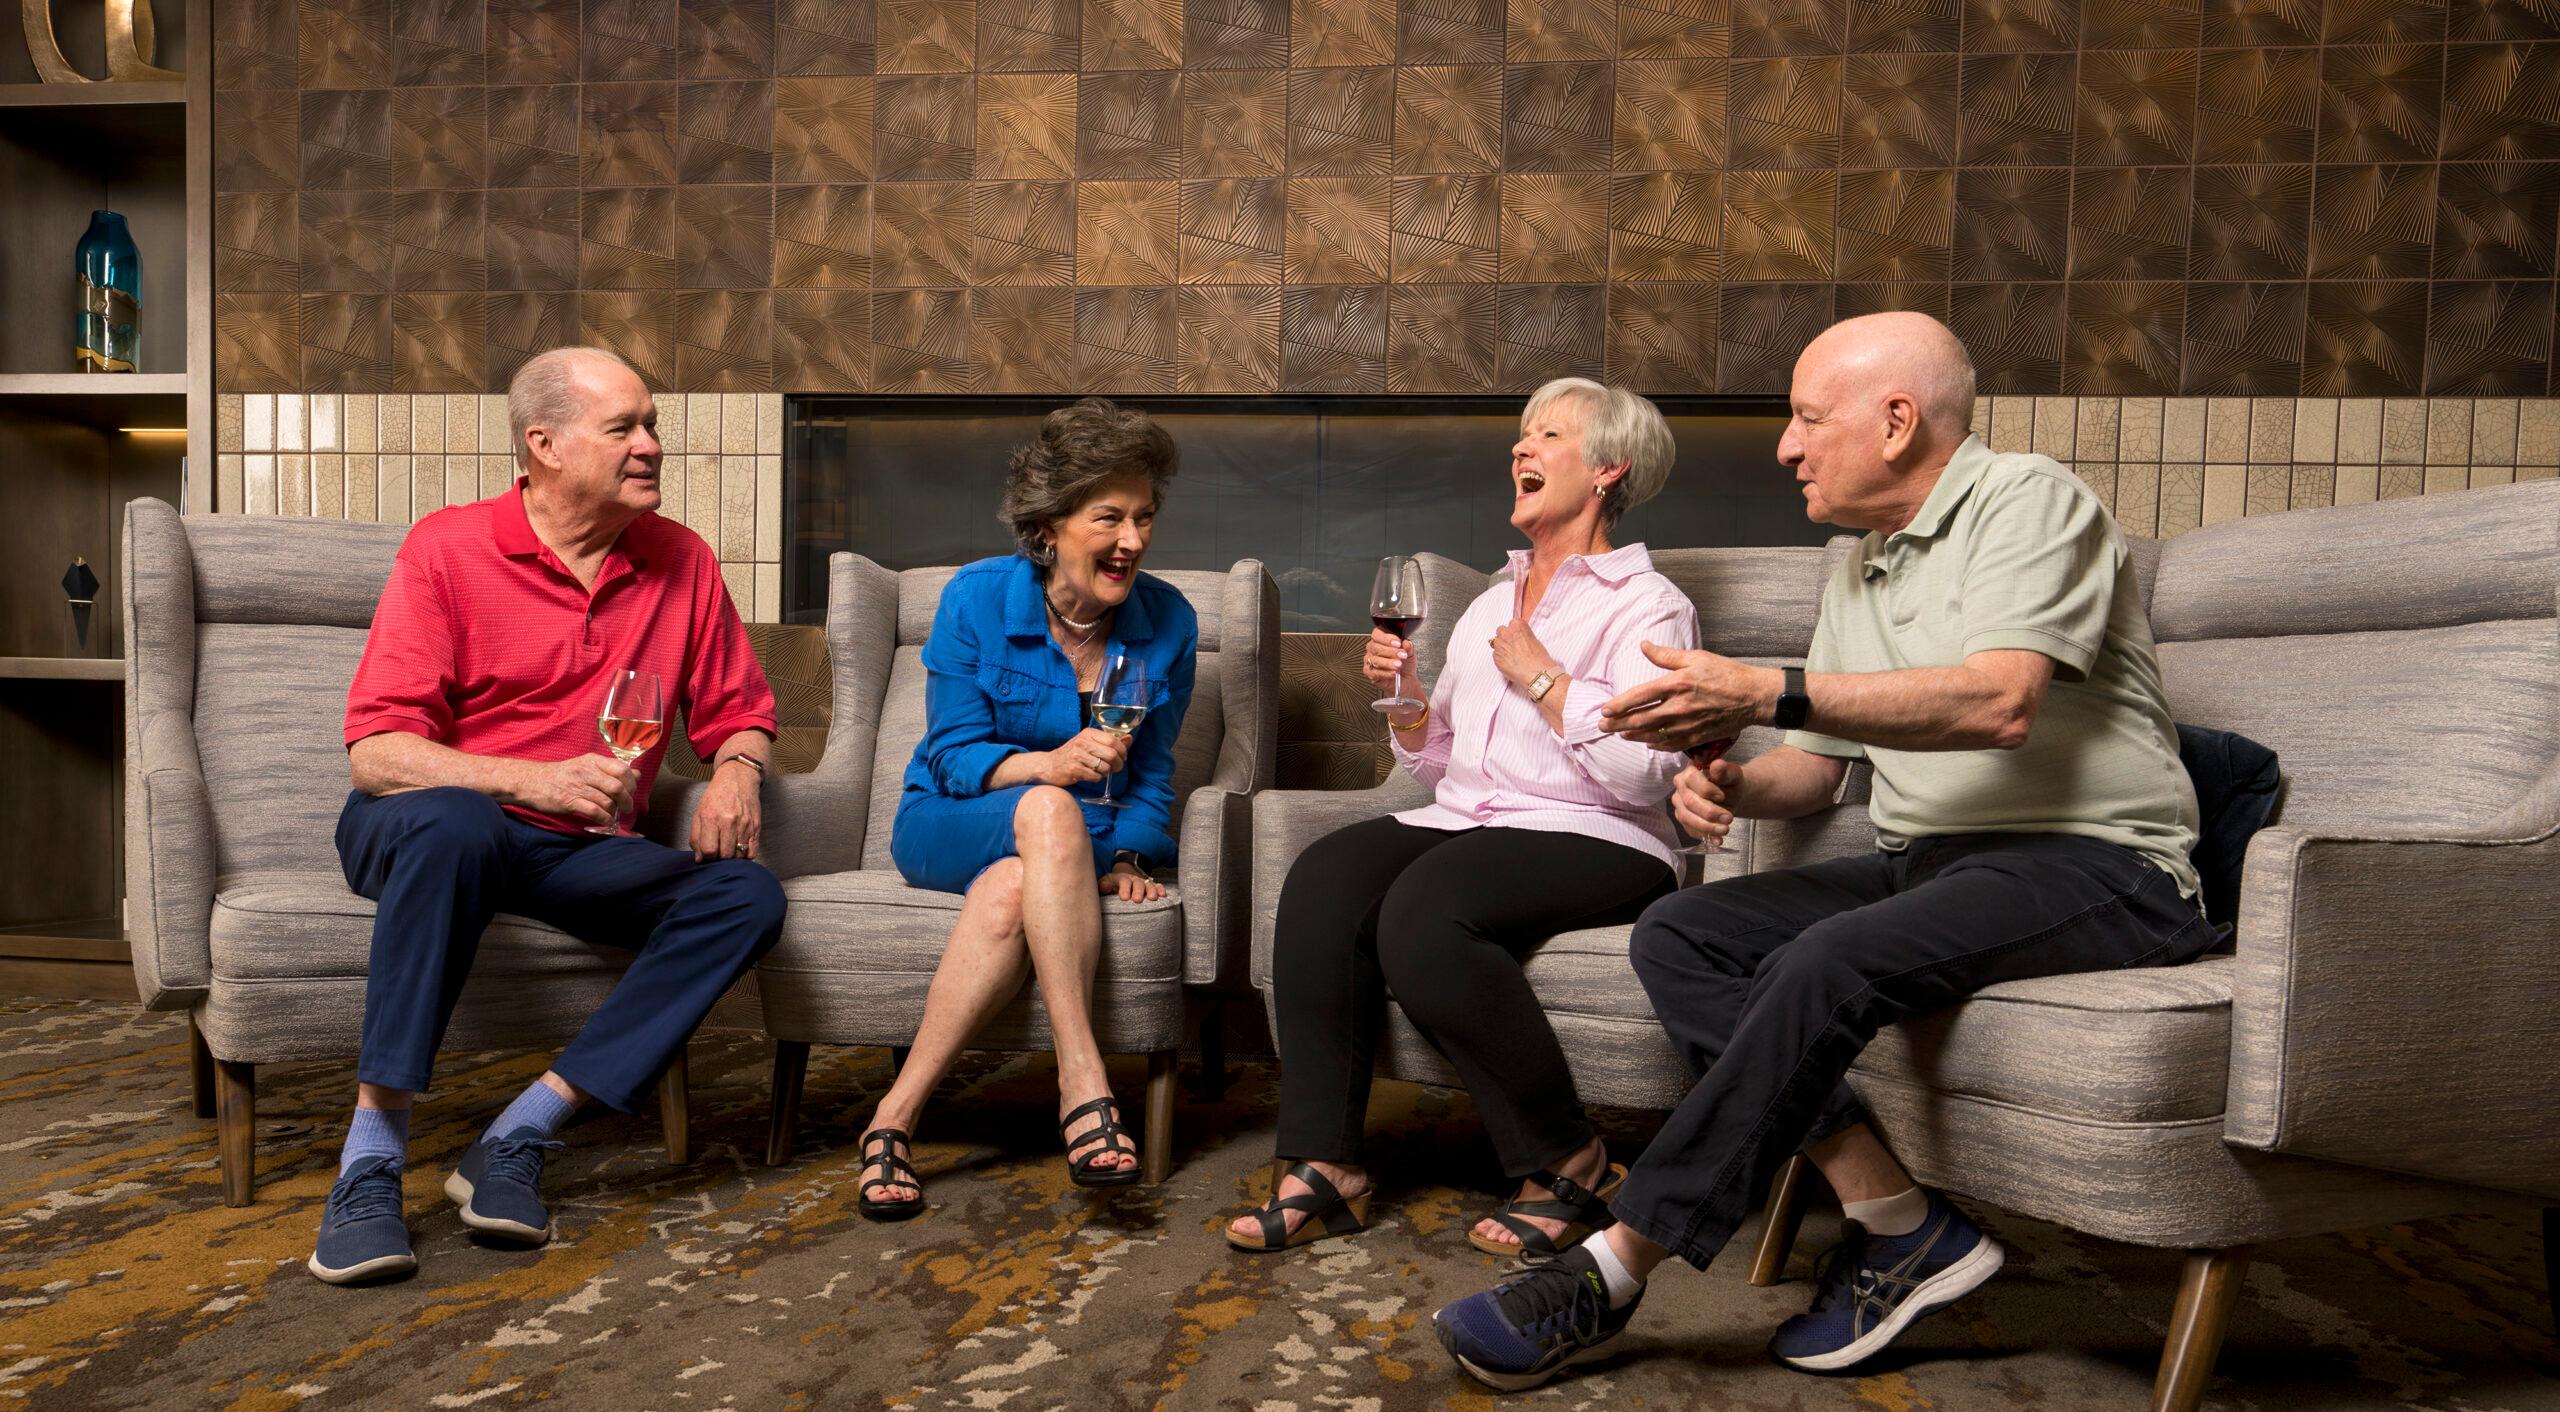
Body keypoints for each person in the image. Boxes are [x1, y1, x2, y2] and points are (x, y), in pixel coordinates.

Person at [1431, 312, 2212, 1389]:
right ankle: (1897, 1216)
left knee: (1825, 957)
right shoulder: (1857, 565)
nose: (1787, 447)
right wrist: (1732, 779)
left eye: (1806, 419)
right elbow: (1817, 765)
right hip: (1935, 858)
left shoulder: (2029, 500)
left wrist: (1764, 684)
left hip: (2103, 865)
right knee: (1681, 932)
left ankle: (1615, 1263)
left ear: (1897, 422)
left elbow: (2000, 702)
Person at [310, 347, 785, 1285]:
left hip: (573, 847)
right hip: (423, 827)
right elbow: (376, 752)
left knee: (745, 898)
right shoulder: (448, 546)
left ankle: (520, 1131)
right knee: (460, 825)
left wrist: (736, 772)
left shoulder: (680, 560)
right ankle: (370, 1159)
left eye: (652, 425)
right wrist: (529, 781)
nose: (652, 446)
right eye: (625, 429)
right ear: (545, 445)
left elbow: (742, 710)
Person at [1226, 379, 1698, 1256]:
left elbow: (1644, 775)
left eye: (1547, 435)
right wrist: (1405, 705)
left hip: (1601, 836)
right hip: (1471, 821)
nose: (1520, 449)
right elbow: (1442, 764)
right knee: (1322, 878)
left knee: (1426, 912)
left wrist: (1547, 678)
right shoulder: (1489, 603)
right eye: (1520, 434)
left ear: (1608, 469)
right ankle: (1327, 1165)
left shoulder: (1650, 605)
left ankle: (1572, 1157)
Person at [853, 397, 1197, 1220]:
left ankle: (892, 1119)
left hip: (1067, 845)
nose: (1134, 541)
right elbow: (952, 754)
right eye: (1109, 517)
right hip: (945, 821)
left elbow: (1152, 772)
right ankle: (1083, 1076)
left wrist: (1124, 858)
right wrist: (1048, 768)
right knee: (1046, 809)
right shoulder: (974, 600)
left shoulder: (1168, 624)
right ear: (1047, 528)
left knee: (1012, 887)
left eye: (1145, 516)